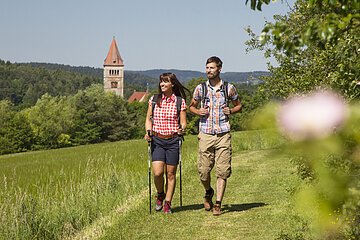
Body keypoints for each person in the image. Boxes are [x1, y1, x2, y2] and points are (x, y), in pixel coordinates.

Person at [189, 56, 242, 216]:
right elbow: (191, 106)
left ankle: (218, 204)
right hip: (205, 133)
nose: (208, 71)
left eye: (211, 68)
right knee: (204, 171)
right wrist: (198, 111)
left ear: (219, 69)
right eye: (207, 68)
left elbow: (239, 105)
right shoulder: (200, 89)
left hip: (223, 133)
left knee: (222, 171)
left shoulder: (229, 88)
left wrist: (231, 111)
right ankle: (208, 191)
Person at [144, 72, 190, 214]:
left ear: (172, 84)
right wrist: (148, 132)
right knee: (157, 173)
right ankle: (160, 194)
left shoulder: (179, 101)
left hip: (173, 140)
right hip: (157, 140)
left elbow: (183, 122)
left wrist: (182, 129)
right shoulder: (154, 99)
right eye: (161, 82)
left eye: (165, 82)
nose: (162, 84)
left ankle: (168, 204)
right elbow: (148, 119)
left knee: (170, 174)